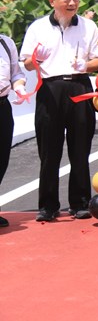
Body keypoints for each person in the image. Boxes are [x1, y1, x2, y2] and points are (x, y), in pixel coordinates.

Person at [21, 0, 98, 221]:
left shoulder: (88, 27)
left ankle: (79, 203)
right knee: (49, 150)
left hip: (79, 85)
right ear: (52, 0)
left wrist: (86, 65)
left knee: (80, 148)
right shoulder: (38, 27)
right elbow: (26, 63)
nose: (72, 2)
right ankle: (48, 205)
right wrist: (37, 59)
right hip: (50, 88)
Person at [0, 33, 28, 227]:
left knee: (1, 159)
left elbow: (16, 73)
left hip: (3, 105)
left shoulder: (5, 42)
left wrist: (20, 87)